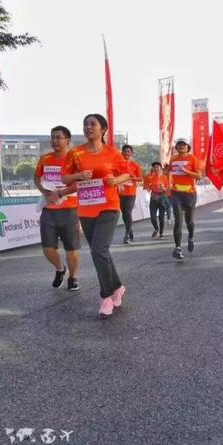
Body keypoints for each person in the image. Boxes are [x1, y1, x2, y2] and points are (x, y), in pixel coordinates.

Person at [62, 113, 130, 318]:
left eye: (93, 124)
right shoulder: (75, 153)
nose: (88, 127)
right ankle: (117, 286)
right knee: (101, 252)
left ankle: (106, 295)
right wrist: (78, 176)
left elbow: (127, 173)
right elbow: (65, 178)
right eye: (85, 124)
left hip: (109, 205)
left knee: (99, 249)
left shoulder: (112, 153)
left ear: (103, 129)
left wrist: (116, 181)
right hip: (86, 207)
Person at [33, 125, 80, 291]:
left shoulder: (76, 158)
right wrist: (44, 191)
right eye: (52, 137)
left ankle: (73, 278)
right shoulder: (45, 158)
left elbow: (82, 183)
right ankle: (60, 269)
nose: (54, 140)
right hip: (49, 209)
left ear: (67, 140)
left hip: (70, 209)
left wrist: (61, 193)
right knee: (47, 248)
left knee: (71, 248)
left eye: (58, 137)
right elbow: (37, 177)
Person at [167, 138, 202, 260]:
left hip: (189, 194)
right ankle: (177, 248)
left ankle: (191, 237)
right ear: (176, 147)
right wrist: (167, 170)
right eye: (179, 145)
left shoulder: (193, 159)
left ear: (188, 147)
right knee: (178, 221)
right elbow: (169, 172)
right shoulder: (173, 159)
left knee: (189, 221)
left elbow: (199, 176)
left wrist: (186, 171)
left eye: (184, 144)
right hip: (176, 193)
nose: (181, 146)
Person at [119, 145, 143, 244]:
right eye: (125, 151)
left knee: (128, 212)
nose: (126, 153)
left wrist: (130, 178)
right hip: (120, 192)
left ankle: (127, 235)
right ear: (122, 152)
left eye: (128, 152)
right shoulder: (117, 164)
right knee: (124, 214)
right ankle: (130, 230)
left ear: (131, 153)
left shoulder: (135, 165)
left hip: (130, 193)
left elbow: (140, 178)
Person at [143, 161, 170, 238]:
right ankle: (156, 228)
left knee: (161, 218)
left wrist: (163, 188)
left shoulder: (164, 177)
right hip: (154, 199)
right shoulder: (150, 177)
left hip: (162, 198)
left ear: (160, 168)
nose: (156, 168)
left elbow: (168, 188)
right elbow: (146, 187)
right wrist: (148, 187)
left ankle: (161, 233)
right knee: (153, 217)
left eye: (157, 167)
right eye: (154, 167)